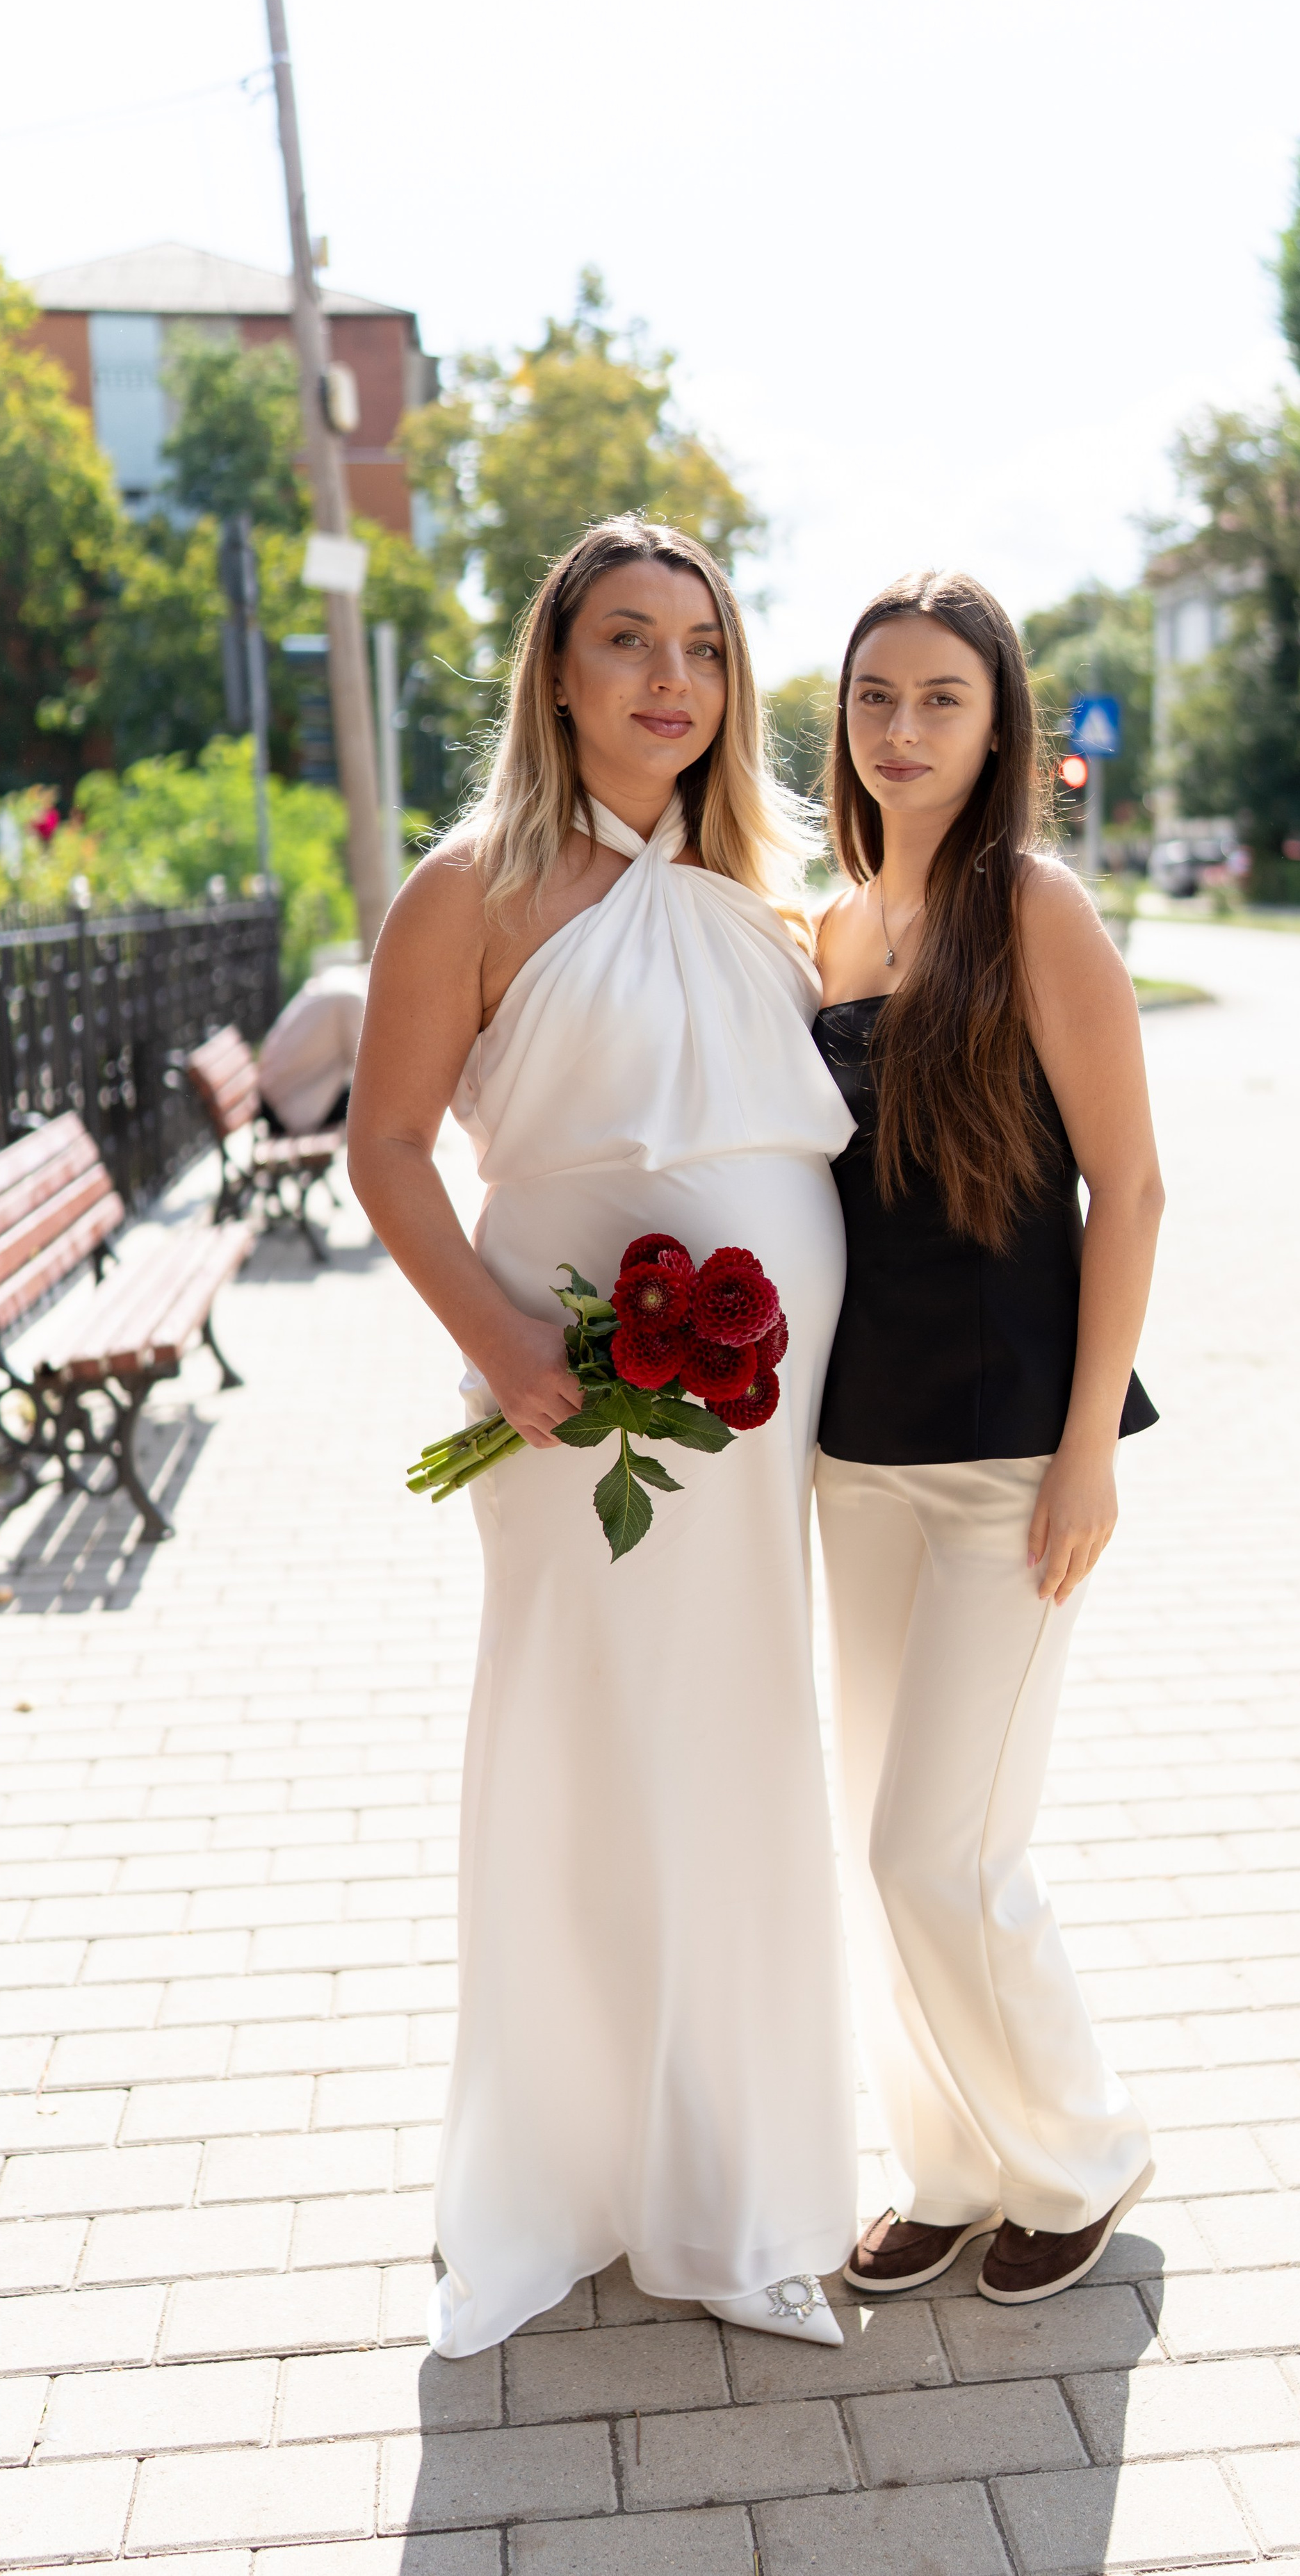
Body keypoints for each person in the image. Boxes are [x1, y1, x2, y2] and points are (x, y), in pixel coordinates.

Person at [348, 518, 859, 2358]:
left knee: (739, 1744)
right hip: (568, 1396)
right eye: (630, 640)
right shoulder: (469, 886)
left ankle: (733, 2191)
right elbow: (385, 1147)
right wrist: (500, 1341)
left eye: (704, 648)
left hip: (762, 1409)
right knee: (580, 1736)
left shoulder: (763, 889)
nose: (671, 678)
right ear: (555, 673)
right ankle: (555, 2186)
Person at [811, 570, 1163, 2308]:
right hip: (854, 1454)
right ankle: (949, 2168)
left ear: (997, 721)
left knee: (941, 1848)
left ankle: (1080, 2154)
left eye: (939, 697)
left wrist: (1088, 1448)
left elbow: (1131, 1187)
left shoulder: (1033, 907)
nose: (902, 726)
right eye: (875, 695)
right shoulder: (831, 929)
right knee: (878, 1844)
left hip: (1012, 1452)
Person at [257, 961, 367, 1134]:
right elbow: (366, 1065)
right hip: (291, 1108)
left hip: (277, 1099)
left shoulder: (343, 979)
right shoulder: (352, 996)